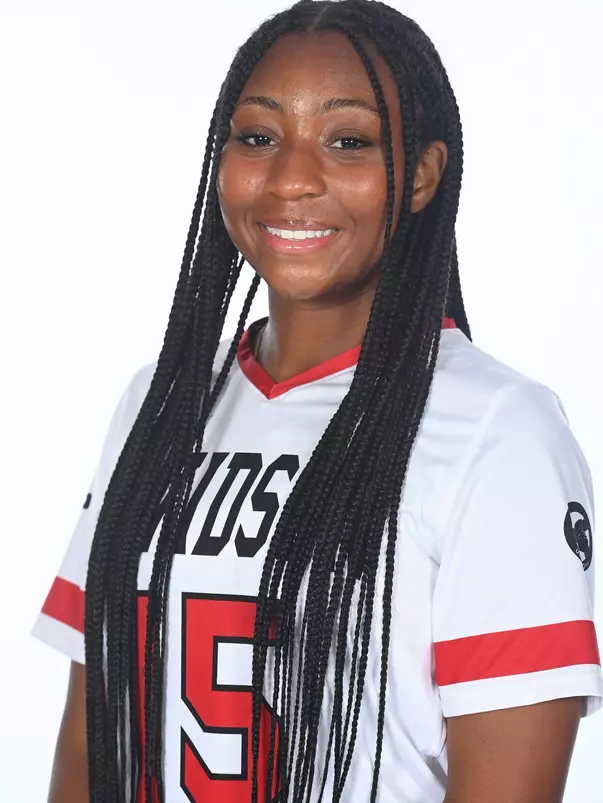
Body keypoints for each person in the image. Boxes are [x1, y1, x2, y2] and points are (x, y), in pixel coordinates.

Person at [33, 1, 602, 801]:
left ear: (422, 176)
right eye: (257, 137)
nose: (292, 178)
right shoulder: (158, 404)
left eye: (348, 141)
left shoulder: (498, 432)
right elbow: (89, 741)